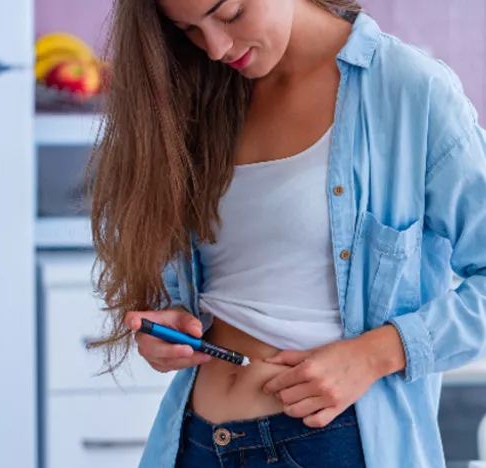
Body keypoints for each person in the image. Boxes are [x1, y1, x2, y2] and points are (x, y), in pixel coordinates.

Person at [86, 0, 486, 467]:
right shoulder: (199, 90)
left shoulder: (410, 92)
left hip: (330, 445)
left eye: (230, 13)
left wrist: (377, 354)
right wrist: (172, 321)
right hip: (193, 442)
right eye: (189, 29)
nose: (215, 47)